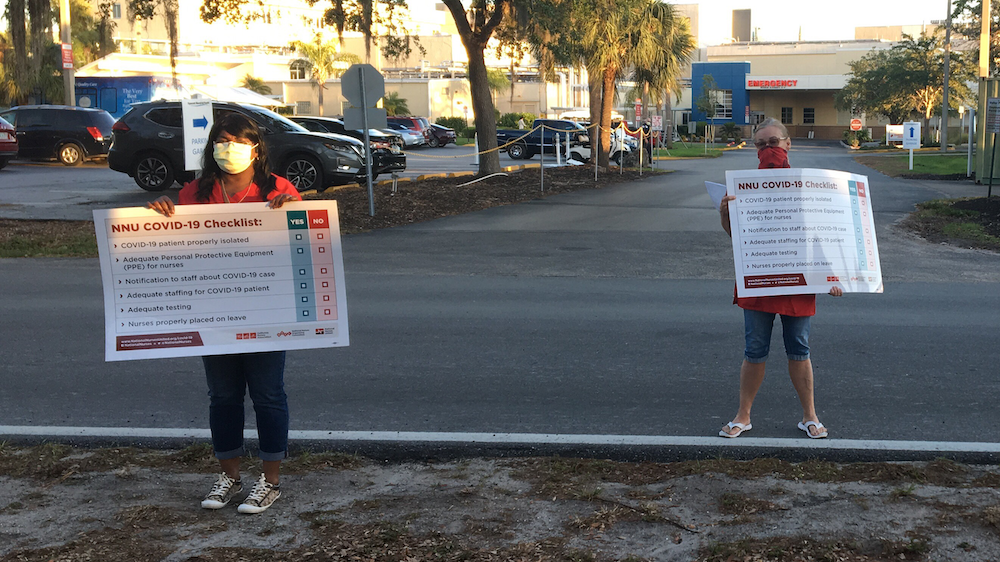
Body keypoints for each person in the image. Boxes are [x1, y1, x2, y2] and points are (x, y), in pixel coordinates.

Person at [147, 112, 301, 513]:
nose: (227, 148)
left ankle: (270, 482)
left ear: (255, 148)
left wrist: (290, 212)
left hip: (267, 314)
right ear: (211, 146)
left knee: (268, 396)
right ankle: (230, 478)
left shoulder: (279, 190)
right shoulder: (193, 194)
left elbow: (299, 243)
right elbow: (178, 249)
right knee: (223, 396)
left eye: (236, 140)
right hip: (214, 315)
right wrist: (161, 214)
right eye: (221, 140)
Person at [718, 117, 842, 440]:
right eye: (761, 145)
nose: (768, 150)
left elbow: (824, 233)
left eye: (773, 143)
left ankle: (809, 416)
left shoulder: (808, 185)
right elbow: (737, 238)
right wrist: (724, 214)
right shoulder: (743, 187)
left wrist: (833, 276)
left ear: (788, 144)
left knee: (799, 349)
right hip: (758, 280)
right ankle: (743, 416)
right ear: (754, 149)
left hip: (798, 281)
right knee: (754, 350)